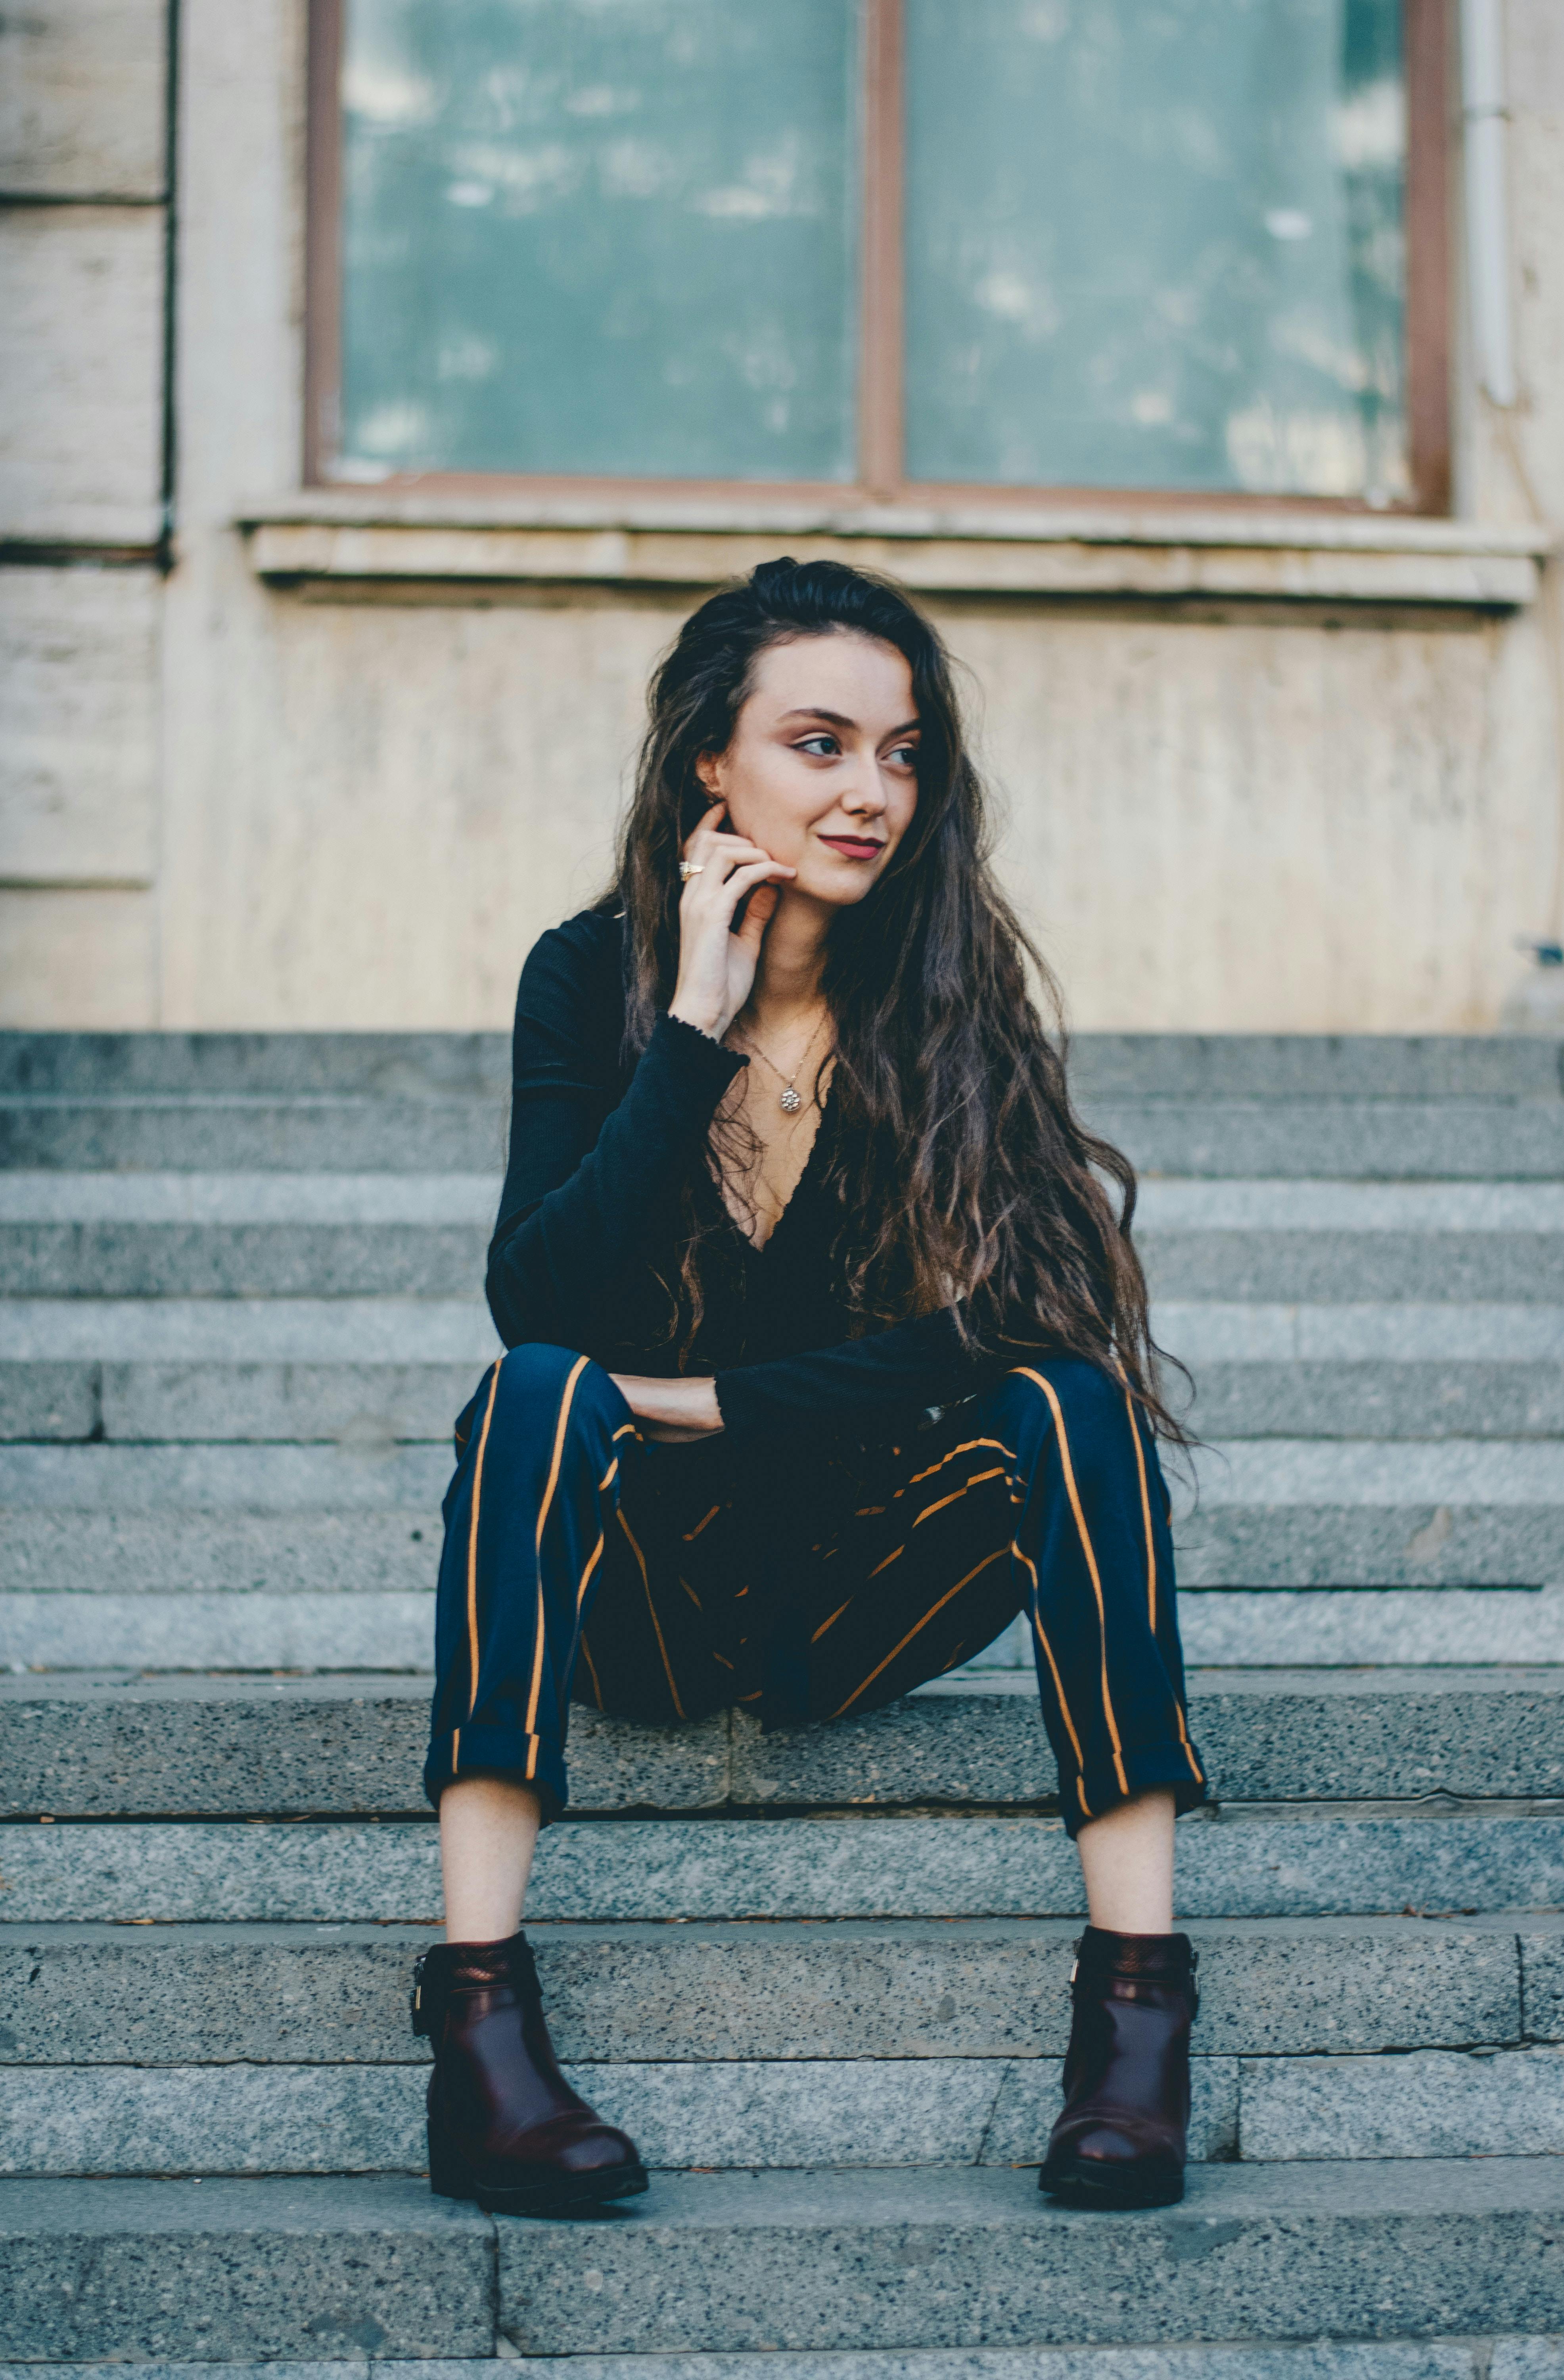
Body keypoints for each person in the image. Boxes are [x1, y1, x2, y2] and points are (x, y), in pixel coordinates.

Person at [408, 557, 1208, 2220]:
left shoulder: (944, 992)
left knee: (1073, 1405)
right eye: (822, 743)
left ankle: (1135, 2015)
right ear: (713, 758)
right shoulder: (588, 977)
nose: (871, 793)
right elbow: (531, 1300)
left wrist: (711, 1400)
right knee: (543, 1393)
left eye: (903, 753)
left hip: (857, 1584)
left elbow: (1034, 1313)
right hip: (645, 1601)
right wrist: (692, 1025)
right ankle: (481, 2033)